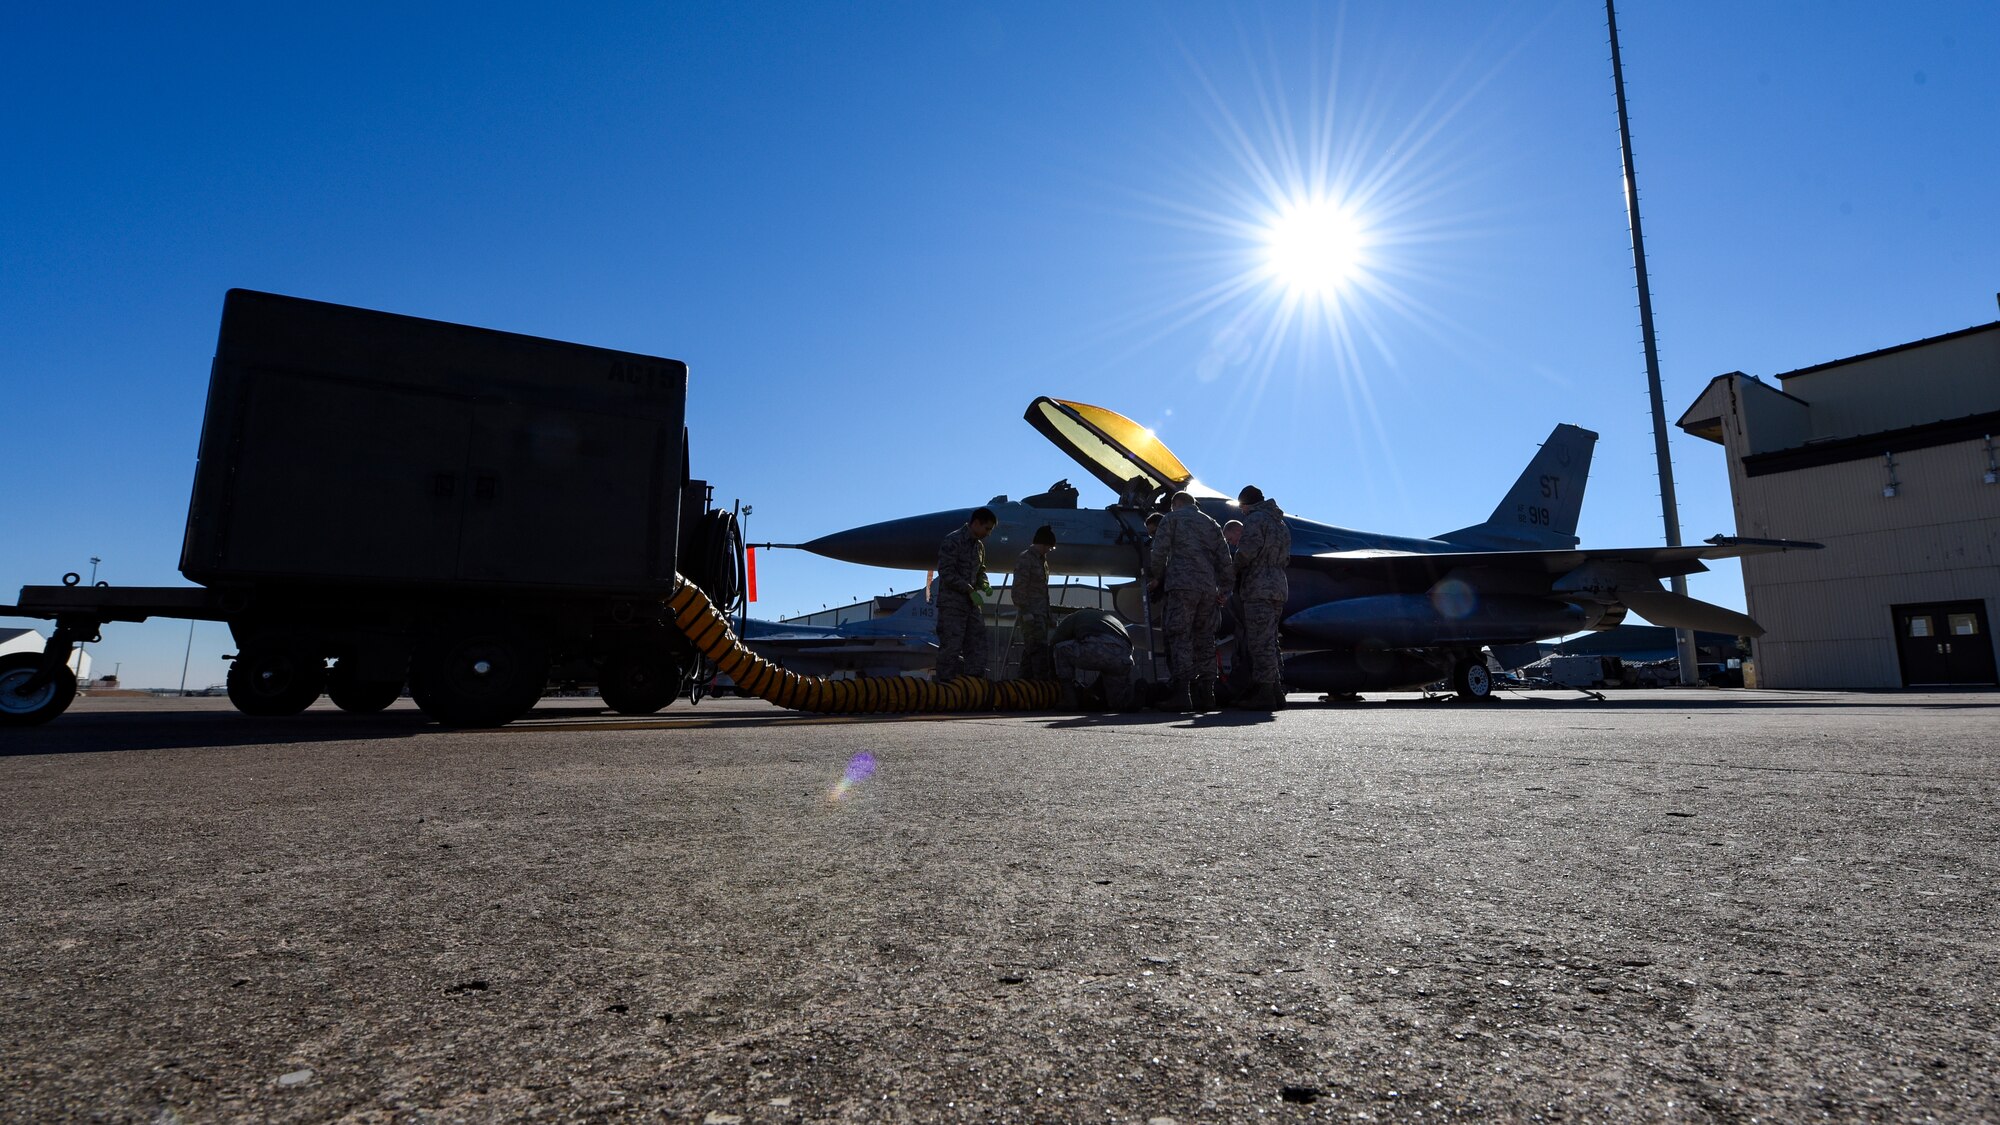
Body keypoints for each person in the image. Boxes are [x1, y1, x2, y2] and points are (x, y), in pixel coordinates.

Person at [1147, 491, 1233, 712]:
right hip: (1207, 589)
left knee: (1180, 636)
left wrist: (1157, 576)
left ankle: (1182, 693)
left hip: (1182, 586)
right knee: (1205, 639)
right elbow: (1225, 558)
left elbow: (1159, 551)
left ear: (1176, 504)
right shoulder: (1211, 523)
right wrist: (1224, 589)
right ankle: (1207, 694)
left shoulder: (1172, 519)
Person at [1233, 484, 1291, 709]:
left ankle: (1265, 693)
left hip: (1259, 586)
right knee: (1270, 641)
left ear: (1246, 504)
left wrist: (1232, 570)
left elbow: (1246, 552)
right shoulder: (1280, 523)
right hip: (1278, 585)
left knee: (1259, 642)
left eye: (1242, 508)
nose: (1243, 513)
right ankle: (1276, 691)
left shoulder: (1256, 520)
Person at [934, 507, 996, 681]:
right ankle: (944, 690)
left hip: (971, 605)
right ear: (976, 523)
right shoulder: (953, 540)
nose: (988, 533)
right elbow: (946, 572)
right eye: (987, 528)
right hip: (952, 605)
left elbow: (980, 570)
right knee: (951, 648)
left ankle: (973, 688)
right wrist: (968, 588)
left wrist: (984, 584)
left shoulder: (979, 547)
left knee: (977, 645)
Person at [1051, 606, 1136, 710]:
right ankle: (1132, 698)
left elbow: (1055, 642)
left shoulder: (1076, 616)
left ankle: (1069, 700)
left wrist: (1051, 673)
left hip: (1098, 649)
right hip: (1123, 657)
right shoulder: (1112, 619)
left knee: (1060, 649)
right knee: (1116, 702)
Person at [1013, 525, 1057, 679]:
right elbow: (1019, 588)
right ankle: (1040, 687)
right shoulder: (1026, 558)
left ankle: (1023, 687)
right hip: (1030, 616)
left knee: (1031, 653)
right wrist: (1025, 611)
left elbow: (1043, 592)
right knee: (1038, 652)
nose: (1049, 551)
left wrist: (1049, 615)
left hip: (1040, 615)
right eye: (1049, 547)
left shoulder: (1042, 562)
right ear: (1042, 543)